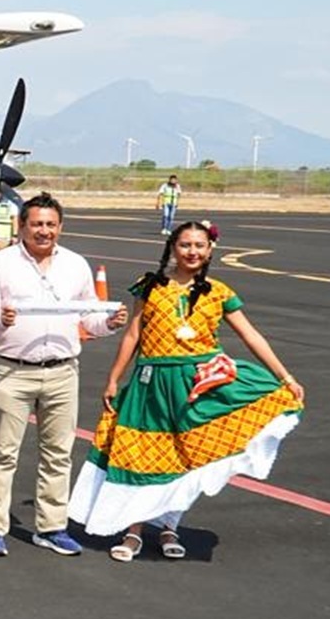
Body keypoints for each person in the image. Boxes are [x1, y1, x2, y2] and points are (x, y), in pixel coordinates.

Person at [71, 220, 305, 561]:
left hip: (199, 384)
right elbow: (133, 336)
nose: (192, 252)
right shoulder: (149, 287)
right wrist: (113, 378)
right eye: (185, 245)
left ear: (210, 250)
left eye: (199, 245)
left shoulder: (219, 292)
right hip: (151, 383)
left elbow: (251, 336)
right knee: (140, 455)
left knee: (187, 456)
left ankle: (169, 525)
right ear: (172, 248)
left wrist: (284, 376)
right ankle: (133, 530)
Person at [0, 192, 127, 557]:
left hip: (61, 372)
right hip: (14, 371)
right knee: (3, 452)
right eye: (36, 224)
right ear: (21, 226)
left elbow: (88, 317)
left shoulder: (75, 265)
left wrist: (109, 323)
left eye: (50, 225)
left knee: (58, 453)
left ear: (61, 227)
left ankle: (51, 526)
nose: (44, 231)